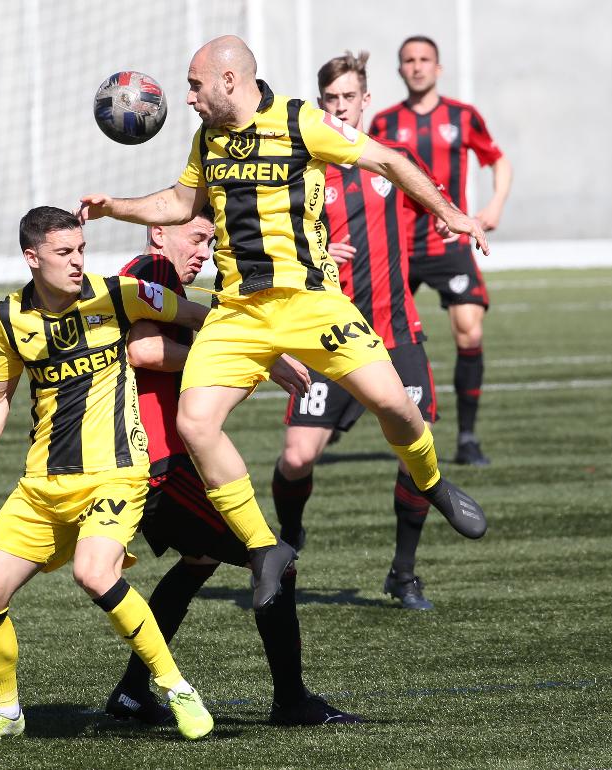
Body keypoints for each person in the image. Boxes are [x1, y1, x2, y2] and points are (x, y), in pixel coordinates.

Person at [79, 35, 489, 612]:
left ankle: (433, 483)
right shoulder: (207, 138)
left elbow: (390, 161)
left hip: (312, 302)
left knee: (397, 408)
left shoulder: (302, 122)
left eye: (195, 85)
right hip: (237, 312)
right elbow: (179, 202)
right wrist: (114, 206)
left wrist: (451, 213)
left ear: (228, 81)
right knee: (197, 424)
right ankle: (262, 545)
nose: (188, 98)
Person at [0, 206, 217, 742]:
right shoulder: (8, 316)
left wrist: (265, 354)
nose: (77, 263)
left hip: (115, 474)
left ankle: (177, 688)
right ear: (32, 258)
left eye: (81, 251)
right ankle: (5, 712)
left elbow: (200, 316)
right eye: (63, 253)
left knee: (95, 573)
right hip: (44, 484)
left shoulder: (119, 293)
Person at [105, 211, 360, 727]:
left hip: (160, 460)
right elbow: (145, 350)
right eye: (197, 237)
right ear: (160, 232)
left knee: (199, 559)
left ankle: (132, 694)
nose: (204, 250)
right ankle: (291, 702)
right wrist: (252, 356)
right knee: (275, 558)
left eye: (211, 240)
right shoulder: (151, 268)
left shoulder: (166, 283)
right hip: (159, 464)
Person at [273, 51, 480, 613]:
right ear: (322, 105)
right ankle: (289, 536)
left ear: (366, 101)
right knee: (295, 459)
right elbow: (273, 241)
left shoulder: (390, 160)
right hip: (329, 334)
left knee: (416, 451)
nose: (340, 107)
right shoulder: (303, 169)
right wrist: (313, 250)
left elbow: (432, 197)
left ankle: (403, 573)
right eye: (331, 99)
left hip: (395, 334)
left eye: (349, 97)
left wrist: (448, 215)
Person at [369, 35, 513, 466]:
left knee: (469, 330)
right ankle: (350, 408)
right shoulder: (384, 124)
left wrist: (494, 206)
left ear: (438, 67)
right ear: (400, 70)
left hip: (447, 241)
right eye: (408, 60)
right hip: (398, 247)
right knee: (373, 333)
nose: (416, 66)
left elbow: (497, 160)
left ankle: (467, 437)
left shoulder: (462, 116)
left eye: (424, 59)